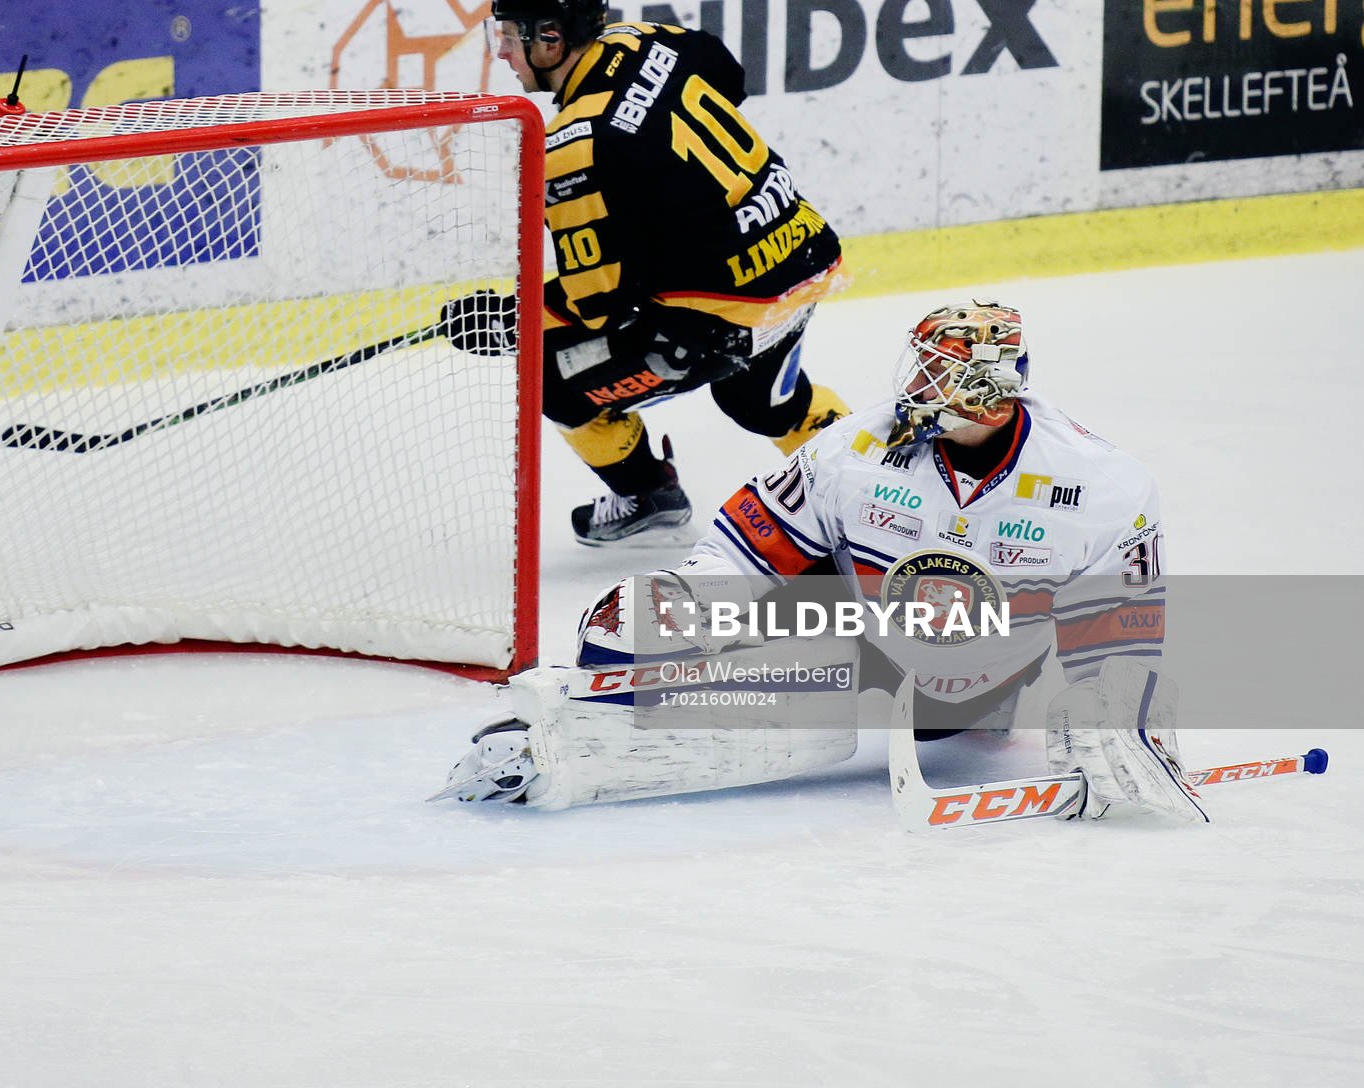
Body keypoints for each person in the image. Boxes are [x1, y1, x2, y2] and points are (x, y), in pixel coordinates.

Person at [441, 302, 1205, 822]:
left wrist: (1124, 722)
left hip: (972, 682)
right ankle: (593, 731)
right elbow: (746, 548)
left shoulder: (1105, 487)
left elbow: (1123, 639)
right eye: (922, 364)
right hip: (858, 630)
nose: (915, 384)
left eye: (937, 372)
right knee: (633, 625)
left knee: (844, 678)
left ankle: (626, 745)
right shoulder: (856, 447)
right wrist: (678, 598)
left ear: (986, 392)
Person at [440, 0, 850, 544]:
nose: (501, 52)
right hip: (804, 256)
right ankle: (877, 482)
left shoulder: (573, 146)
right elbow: (727, 75)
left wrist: (510, 320)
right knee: (759, 402)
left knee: (548, 378)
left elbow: (598, 303)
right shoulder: (646, 39)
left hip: (728, 310)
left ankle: (647, 493)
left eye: (509, 37)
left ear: (551, 41)